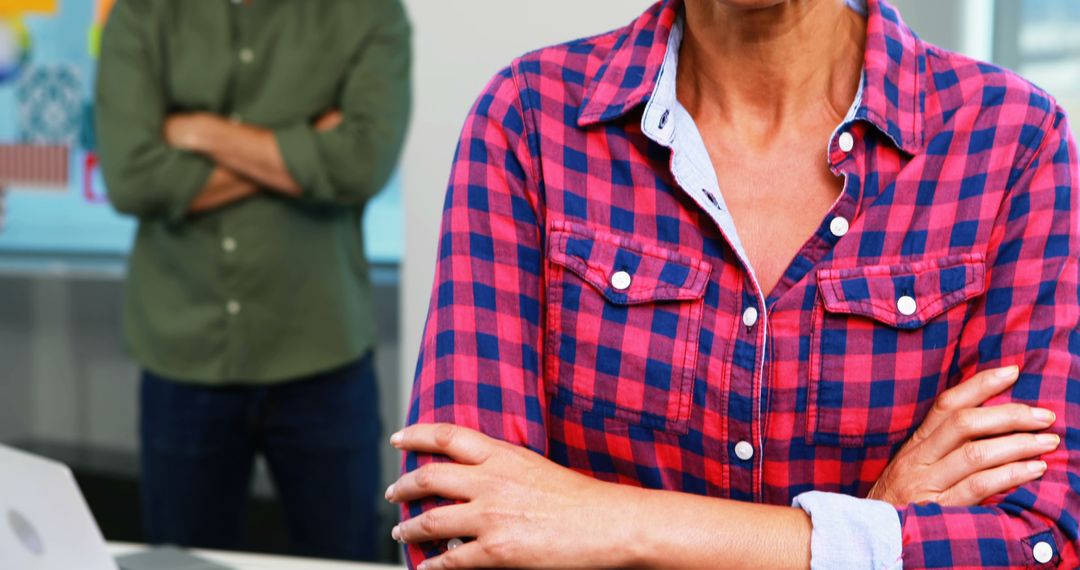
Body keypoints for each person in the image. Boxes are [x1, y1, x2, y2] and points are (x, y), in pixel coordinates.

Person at [390, 0, 1078, 567]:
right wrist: (873, 530)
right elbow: (456, 531)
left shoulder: (1011, 141)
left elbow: (1042, 542)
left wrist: (616, 524)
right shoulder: (531, 120)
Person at [95, 0, 410, 561]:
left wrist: (197, 131)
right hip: (183, 349)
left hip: (321, 348)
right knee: (181, 562)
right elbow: (131, 177)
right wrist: (302, 147)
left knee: (346, 559)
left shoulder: (370, 12)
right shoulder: (142, 12)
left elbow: (362, 162)